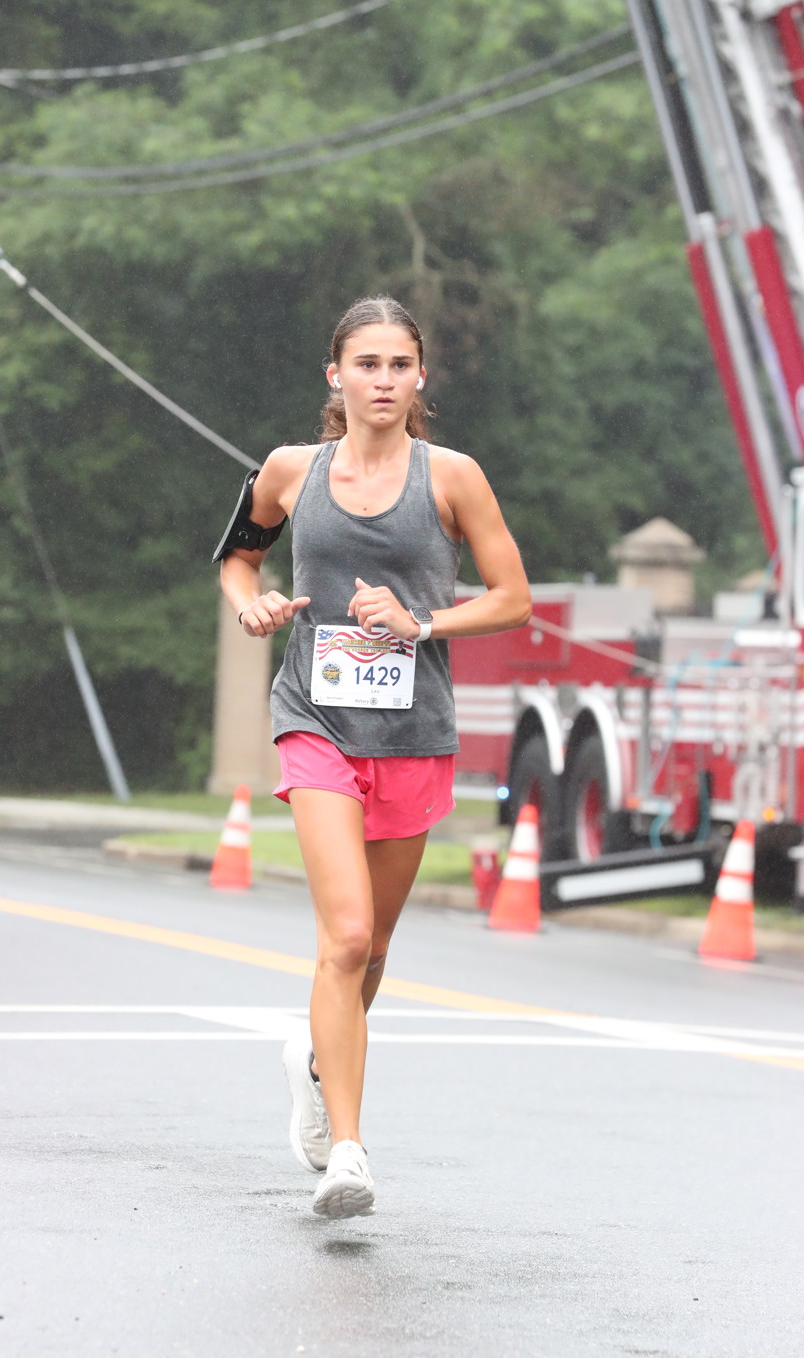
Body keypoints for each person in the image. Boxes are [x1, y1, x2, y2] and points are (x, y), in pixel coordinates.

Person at [219, 295, 531, 1219]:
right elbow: (238, 557)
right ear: (336, 376)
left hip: (412, 732)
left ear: (420, 376)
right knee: (347, 936)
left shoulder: (454, 477)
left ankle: (318, 1063)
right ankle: (347, 1151)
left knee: (377, 947)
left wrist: (420, 621)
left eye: (399, 365)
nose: (384, 380)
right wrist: (251, 603)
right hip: (314, 719)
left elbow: (512, 597)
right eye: (367, 364)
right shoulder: (291, 470)